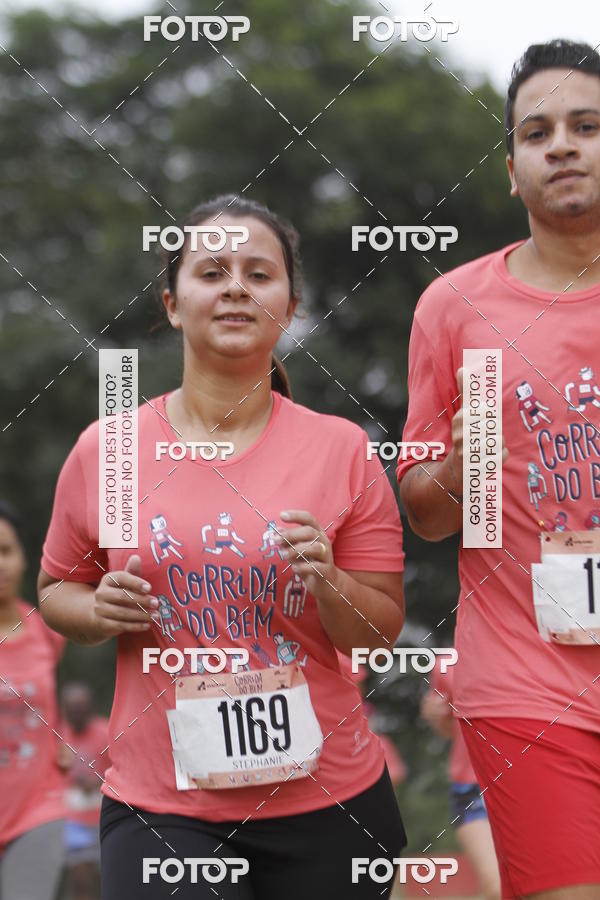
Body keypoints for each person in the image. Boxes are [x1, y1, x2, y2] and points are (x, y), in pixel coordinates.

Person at [38, 195, 407, 899]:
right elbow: (58, 590)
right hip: (164, 806)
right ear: (172, 303)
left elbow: (379, 636)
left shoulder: (343, 449)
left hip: (329, 801)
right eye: (212, 271)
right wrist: (98, 610)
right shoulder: (112, 450)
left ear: (290, 306)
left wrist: (329, 582)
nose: (236, 286)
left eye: (259, 273)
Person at [397, 40, 600, 899]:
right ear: (512, 170)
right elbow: (430, 514)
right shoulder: (457, 308)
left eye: (586, 126)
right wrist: (468, 457)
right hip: (528, 683)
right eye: (536, 131)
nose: (561, 145)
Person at [0, 501, 68, 900]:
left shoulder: (47, 632)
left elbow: (47, 707)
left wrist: (59, 740)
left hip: (38, 808)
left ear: (25, 556)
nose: (0, 565)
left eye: (6, 551)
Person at [420, 652, 500, 900]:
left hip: (536, 786)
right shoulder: (446, 664)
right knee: (497, 888)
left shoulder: (536, 644)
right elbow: (449, 731)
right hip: (472, 788)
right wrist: (435, 717)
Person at [61, 683, 110, 900]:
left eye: (81, 711)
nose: (76, 716)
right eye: (72, 711)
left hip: (102, 818)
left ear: (91, 708)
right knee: (80, 880)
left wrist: (98, 781)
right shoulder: (58, 734)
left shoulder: (106, 731)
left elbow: (122, 769)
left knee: (106, 881)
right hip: (73, 819)